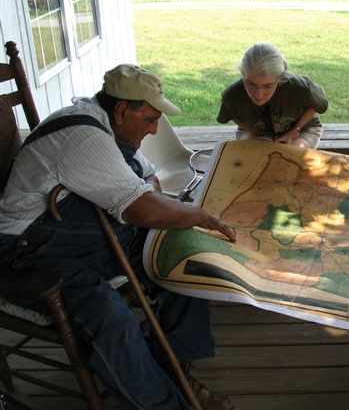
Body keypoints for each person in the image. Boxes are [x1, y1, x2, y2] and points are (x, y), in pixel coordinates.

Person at [0, 64, 237, 410]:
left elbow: (149, 179)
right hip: (26, 254)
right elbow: (143, 208)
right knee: (108, 317)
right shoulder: (84, 137)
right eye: (150, 119)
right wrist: (200, 215)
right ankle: (167, 404)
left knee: (182, 257)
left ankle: (171, 365)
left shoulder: (108, 125)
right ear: (123, 109)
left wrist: (151, 199)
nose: (155, 129)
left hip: (74, 237)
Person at [216, 42, 329, 148]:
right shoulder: (233, 94)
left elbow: (317, 105)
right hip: (256, 132)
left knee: (294, 154)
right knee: (256, 153)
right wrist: (253, 130)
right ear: (243, 75)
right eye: (251, 84)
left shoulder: (301, 88)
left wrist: (296, 128)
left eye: (267, 86)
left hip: (303, 130)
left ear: (279, 78)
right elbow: (230, 114)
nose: (259, 95)